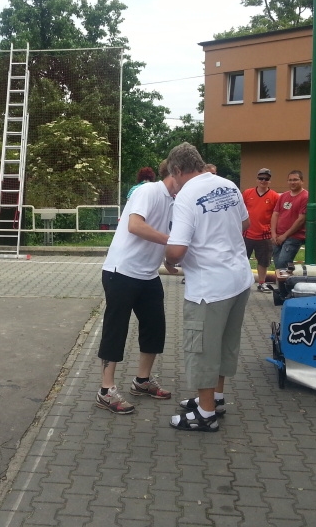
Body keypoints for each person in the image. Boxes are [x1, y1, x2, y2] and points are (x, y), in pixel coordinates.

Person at [165, 143, 252, 433]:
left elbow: (177, 250)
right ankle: (215, 398)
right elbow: (245, 223)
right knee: (225, 343)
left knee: (201, 348)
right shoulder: (228, 185)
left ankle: (205, 414)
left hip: (208, 287)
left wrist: (168, 259)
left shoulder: (186, 196)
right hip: (239, 279)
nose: (174, 182)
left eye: (173, 176)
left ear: (178, 170)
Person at [96, 160, 180, 414]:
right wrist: (171, 241)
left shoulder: (174, 201)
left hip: (148, 274)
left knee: (155, 326)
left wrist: (169, 259)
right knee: (116, 329)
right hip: (121, 271)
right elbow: (135, 225)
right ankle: (106, 390)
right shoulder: (149, 191)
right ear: (176, 173)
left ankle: (142, 381)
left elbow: (162, 232)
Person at [242, 168, 280, 292]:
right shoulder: (247, 193)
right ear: (257, 179)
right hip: (246, 234)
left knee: (263, 261)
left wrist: (274, 233)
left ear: (270, 181)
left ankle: (261, 283)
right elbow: (240, 211)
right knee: (241, 260)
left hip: (265, 235)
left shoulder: (274, 196)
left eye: (266, 179)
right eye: (261, 178)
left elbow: (277, 215)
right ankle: (240, 283)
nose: (263, 181)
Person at [270, 170, 308, 270]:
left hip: (293, 237)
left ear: (302, 181)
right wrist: (273, 234)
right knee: (278, 266)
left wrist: (284, 236)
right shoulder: (283, 196)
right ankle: (285, 280)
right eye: (290, 180)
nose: (292, 182)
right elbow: (275, 214)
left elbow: (301, 220)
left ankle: (287, 280)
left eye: (295, 180)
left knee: (283, 264)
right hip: (277, 236)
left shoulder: (305, 196)